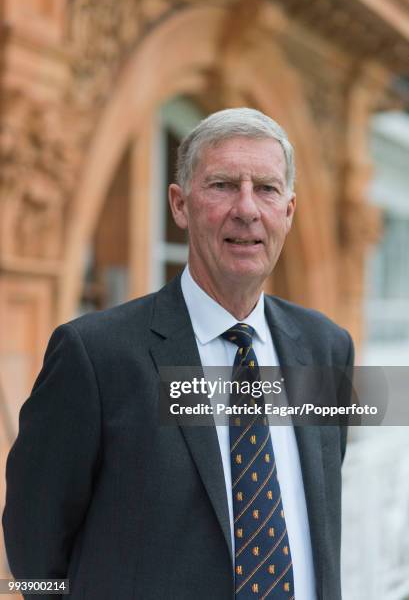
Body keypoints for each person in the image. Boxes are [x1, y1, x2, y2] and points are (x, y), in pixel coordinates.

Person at [3, 108, 354, 600]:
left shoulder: (326, 347)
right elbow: (33, 542)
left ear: (289, 211)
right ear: (180, 204)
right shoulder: (94, 355)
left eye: (267, 189)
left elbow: (319, 511)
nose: (247, 209)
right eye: (223, 185)